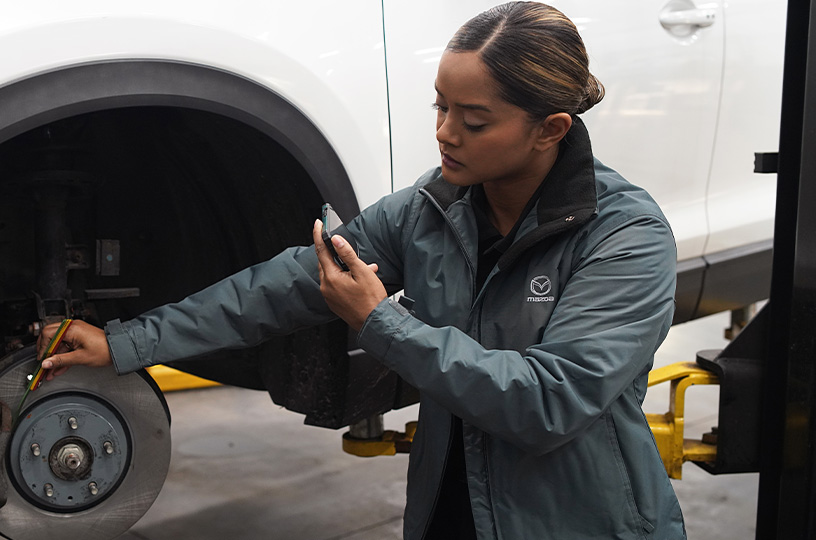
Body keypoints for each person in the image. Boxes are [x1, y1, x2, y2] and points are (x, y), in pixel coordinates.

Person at [37, 2, 685, 538]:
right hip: (449, 514)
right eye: (441, 107)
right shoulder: (430, 213)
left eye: (474, 120)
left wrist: (380, 322)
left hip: (583, 524)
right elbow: (282, 287)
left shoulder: (626, 237)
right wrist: (128, 343)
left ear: (550, 129)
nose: (445, 133)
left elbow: (547, 403)